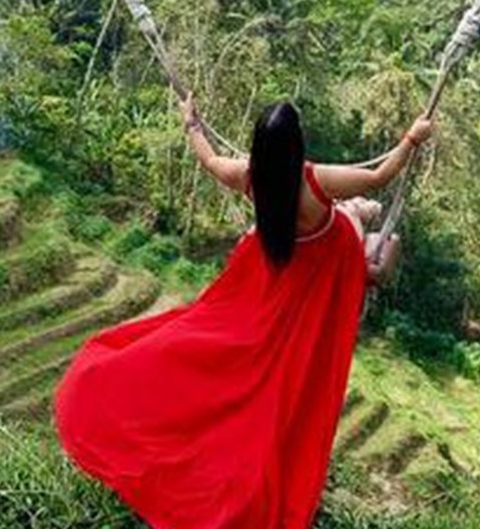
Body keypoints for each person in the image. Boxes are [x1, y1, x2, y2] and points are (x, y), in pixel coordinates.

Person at [54, 96, 433, 529]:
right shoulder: (314, 180)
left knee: (208, 335)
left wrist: (191, 123)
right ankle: (364, 230)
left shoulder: (250, 175)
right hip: (322, 264)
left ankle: (361, 228)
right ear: (296, 145)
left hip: (277, 267)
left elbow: (210, 160)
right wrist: (411, 138)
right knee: (373, 238)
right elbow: (380, 174)